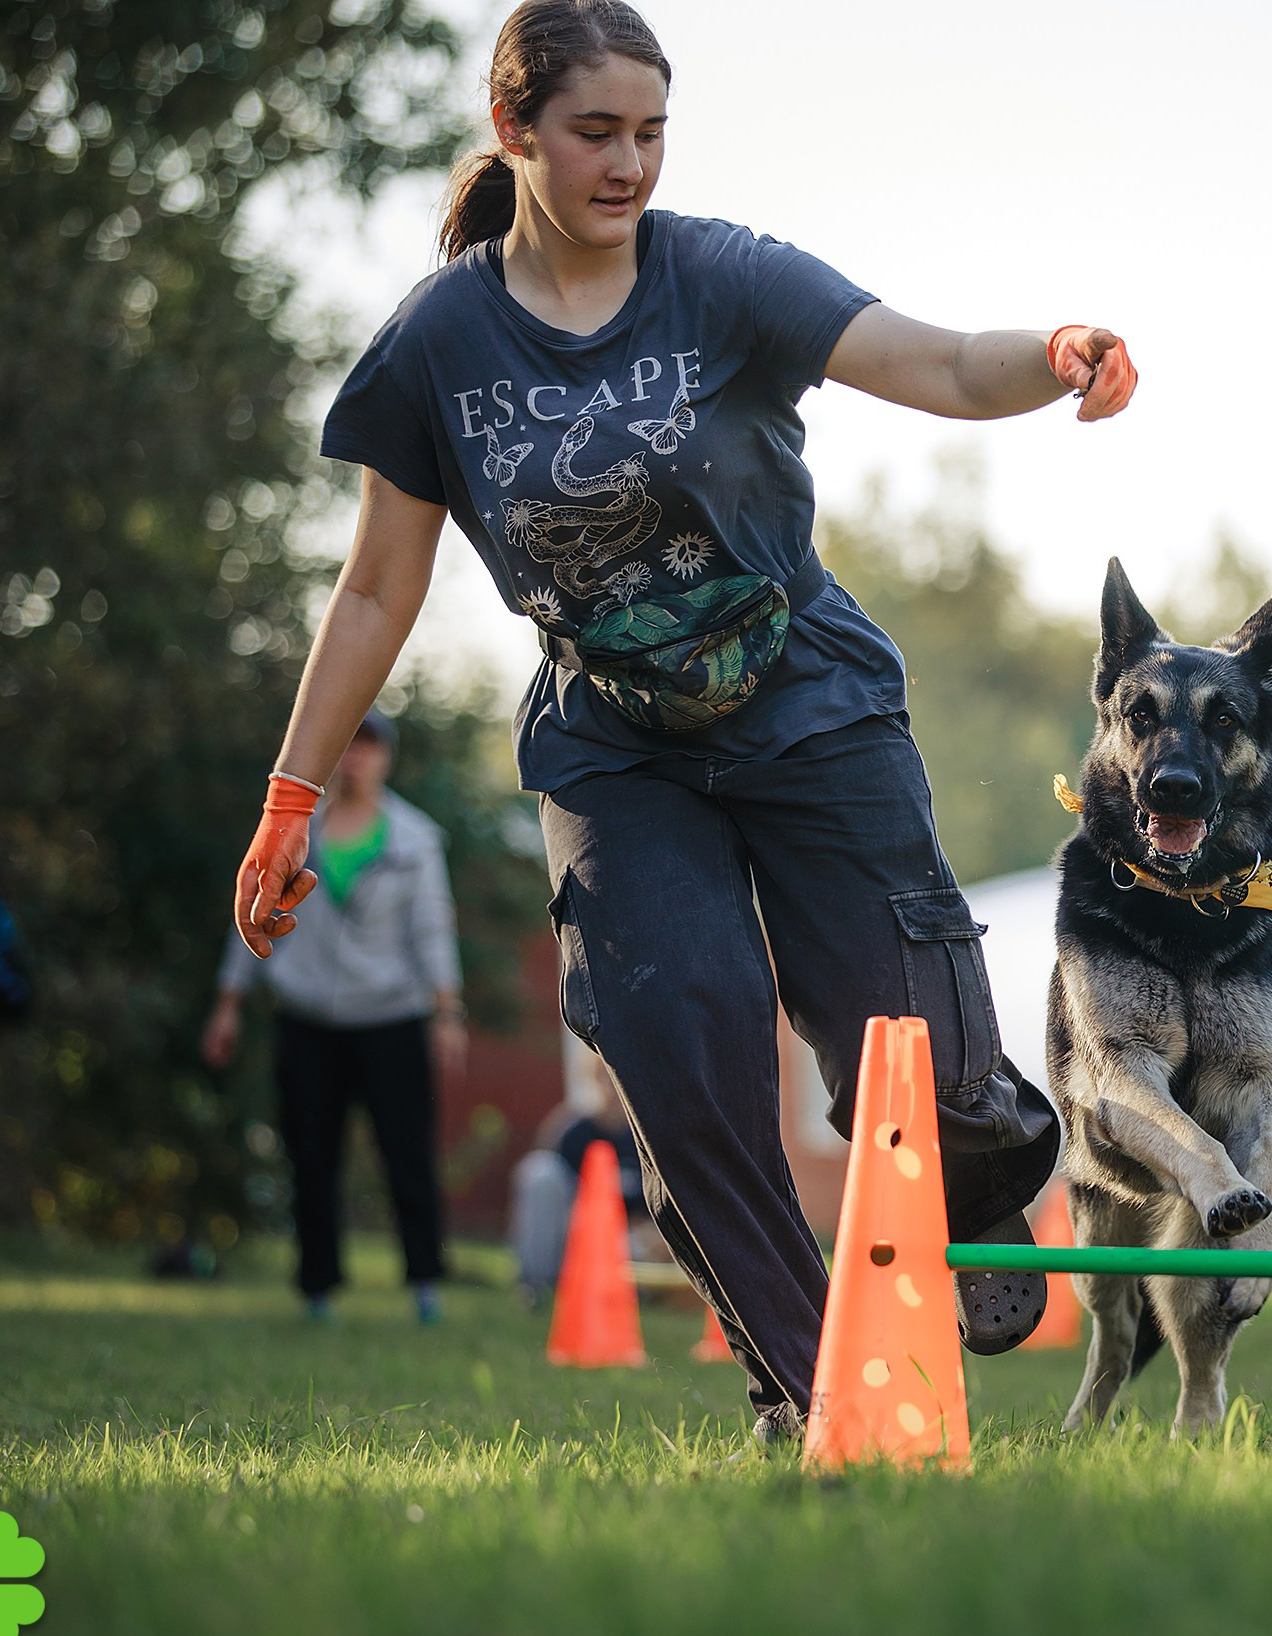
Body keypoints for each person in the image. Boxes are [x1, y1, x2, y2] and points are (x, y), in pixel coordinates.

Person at [228, 0, 1135, 1438]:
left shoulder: (720, 275)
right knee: (681, 1045)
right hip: (616, 737)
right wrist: (292, 796)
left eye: (652, 132)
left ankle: (977, 1181)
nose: (630, 163)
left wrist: (1058, 350)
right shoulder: (438, 345)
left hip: (808, 696)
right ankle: (813, 1383)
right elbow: (375, 588)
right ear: (514, 129)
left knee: (915, 1041)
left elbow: (945, 362)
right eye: (596, 131)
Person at [206, 710, 466, 1323]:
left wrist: (447, 1010)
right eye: (348, 747)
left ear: (386, 759)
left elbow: (433, 929)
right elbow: (253, 912)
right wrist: (228, 1003)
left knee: (407, 1154)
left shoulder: (415, 838)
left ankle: (426, 1285)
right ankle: (317, 1289)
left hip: (390, 1018)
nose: (357, 760)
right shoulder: (296, 833)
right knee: (311, 1155)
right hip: (307, 1018)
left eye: (370, 749)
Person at [509, 1065, 648, 1307]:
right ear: (597, 1079)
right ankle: (533, 1283)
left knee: (641, 1243)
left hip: (623, 1241)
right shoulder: (574, 1131)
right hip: (573, 1235)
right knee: (540, 1171)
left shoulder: (646, 1139)